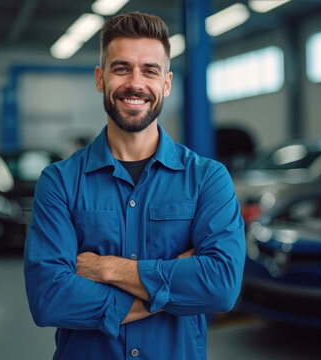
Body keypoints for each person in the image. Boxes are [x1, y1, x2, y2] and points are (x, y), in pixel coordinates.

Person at [24, 12, 245, 360]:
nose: (135, 83)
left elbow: (220, 287)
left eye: (150, 70)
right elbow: (49, 299)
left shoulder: (207, 179)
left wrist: (108, 269)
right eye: (121, 68)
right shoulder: (60, 182)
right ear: (101, 78)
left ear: (167, 83)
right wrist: (175, 283)